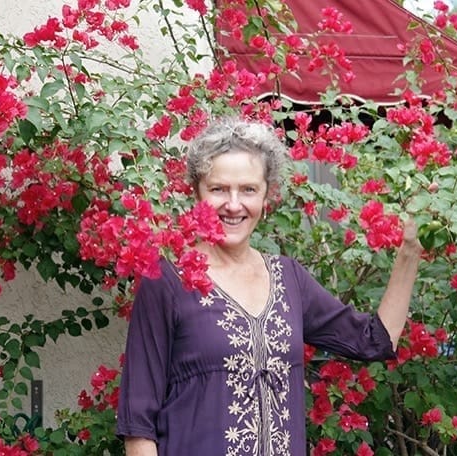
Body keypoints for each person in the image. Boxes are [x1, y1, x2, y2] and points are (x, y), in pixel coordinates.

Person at [116, 116, 423, 456]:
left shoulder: (288, 278)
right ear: (196, 193)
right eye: (218, 189)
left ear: (266, 196)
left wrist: (409, 252)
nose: (234, 205)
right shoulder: (168, 281)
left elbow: (374, 341)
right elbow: (138, 426)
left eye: (248, 189)